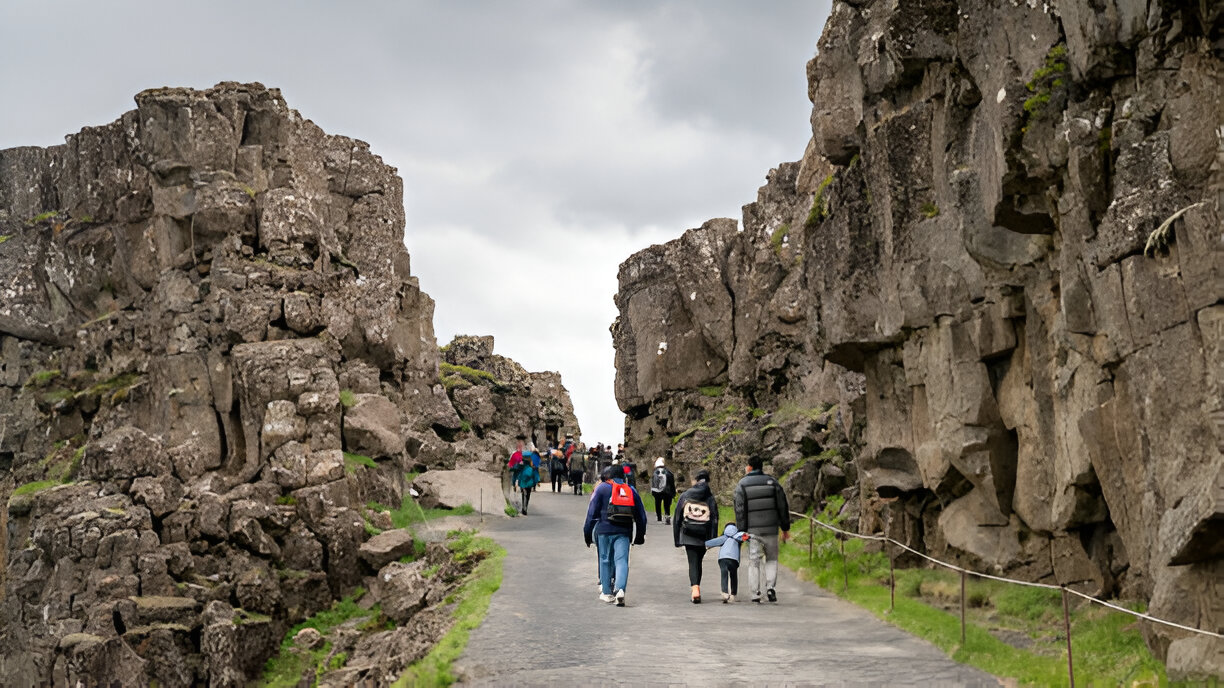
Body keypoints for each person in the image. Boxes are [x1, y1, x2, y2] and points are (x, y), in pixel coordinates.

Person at [583, 464, 647, 607]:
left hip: (604, 530)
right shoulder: (630, 490)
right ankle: (620, 590)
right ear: (623, 477)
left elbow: (591, 513)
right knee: (622, 561)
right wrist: (640, 535)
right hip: (624, 531)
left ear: (609, 476)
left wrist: (587, 533)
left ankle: (607, 593)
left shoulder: (602, 488)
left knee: (605, 559)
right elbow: (641, 516)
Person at [733, 455, 791, 603]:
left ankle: (755, 593)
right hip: (771, 529)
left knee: (754, 561)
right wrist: (785, 528)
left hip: (753, 531)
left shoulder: (742, 484)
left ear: (750, 467)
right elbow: (782, 506)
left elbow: (739, 510)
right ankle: (771, 588)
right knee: (771, 559)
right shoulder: (773, 483)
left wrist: (741, 531)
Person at [673, 469, 718, 603]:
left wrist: (677, 539)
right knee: (698, 562)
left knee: (693, 562)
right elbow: (714, 519)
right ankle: (696, 587)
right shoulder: (709, 497)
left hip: (688, 534)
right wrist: (712, 539)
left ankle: (695, 589)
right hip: (703, 535)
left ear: (695, 480)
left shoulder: (686, 495)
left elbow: (677, 517)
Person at [705, 523, 751, 603]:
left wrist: (705, 544)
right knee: (733, 576)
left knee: (724, 574)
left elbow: (711, 542)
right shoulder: (738, 536)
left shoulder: (724, 537)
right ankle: (733, 594)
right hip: (734, 559)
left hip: (723, 558)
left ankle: (725, 593)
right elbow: (746, 537)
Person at [649, 457, 676, 524]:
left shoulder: (655, 472)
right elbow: (672, 483)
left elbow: (653, 483)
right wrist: (673, 493)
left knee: (657, 503)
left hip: (657, 492)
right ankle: (667, 516)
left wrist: (653, 492)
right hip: (667, 491)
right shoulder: (669, 473)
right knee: (667, 504)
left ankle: (659, 518)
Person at [517, 443, 541, 514]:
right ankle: (525, 508)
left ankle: (523, 508)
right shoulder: (532, 467)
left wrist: (516, 481)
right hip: (530, 482)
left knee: (523, 495)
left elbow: (518, 473)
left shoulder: (521, 466)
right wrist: (538, 481)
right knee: (528, 495)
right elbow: (536, 474)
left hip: (522, 482)